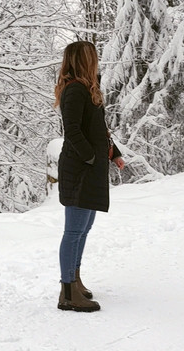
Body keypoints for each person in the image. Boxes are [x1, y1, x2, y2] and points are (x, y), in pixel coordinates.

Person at [55, 40, 125, 312]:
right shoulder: (74, 90)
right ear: (82, 60)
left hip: (90, 169)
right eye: (92, 56)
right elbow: (71, 130)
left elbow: (98, 128)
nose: (97, 59)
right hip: (79, 169)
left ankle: (75, 280)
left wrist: (113, 153)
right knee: (73, 231)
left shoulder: (88, 89)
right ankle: (68, 292)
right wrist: (91, 157)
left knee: (83, 229)